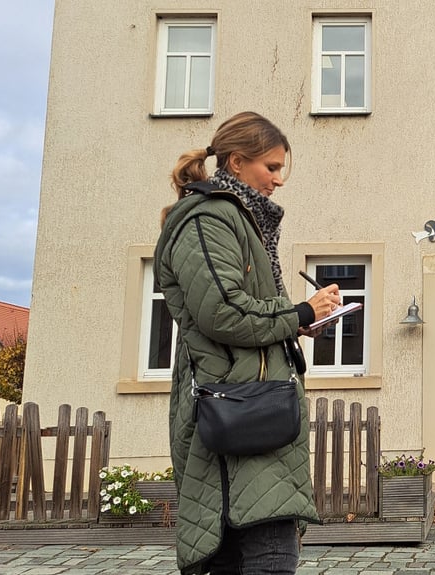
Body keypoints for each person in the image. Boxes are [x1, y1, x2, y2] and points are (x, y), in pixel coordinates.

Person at [154, 111, 337, 575]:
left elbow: (237, 312)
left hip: (250, 406)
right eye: (271, 168)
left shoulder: (236, 217)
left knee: (258, 549)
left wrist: (297, 323)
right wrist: (297, 313)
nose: (278, 180)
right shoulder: (208, 218)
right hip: (234, 408)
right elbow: (223, 313)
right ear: (236, 162)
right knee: (263, 553)